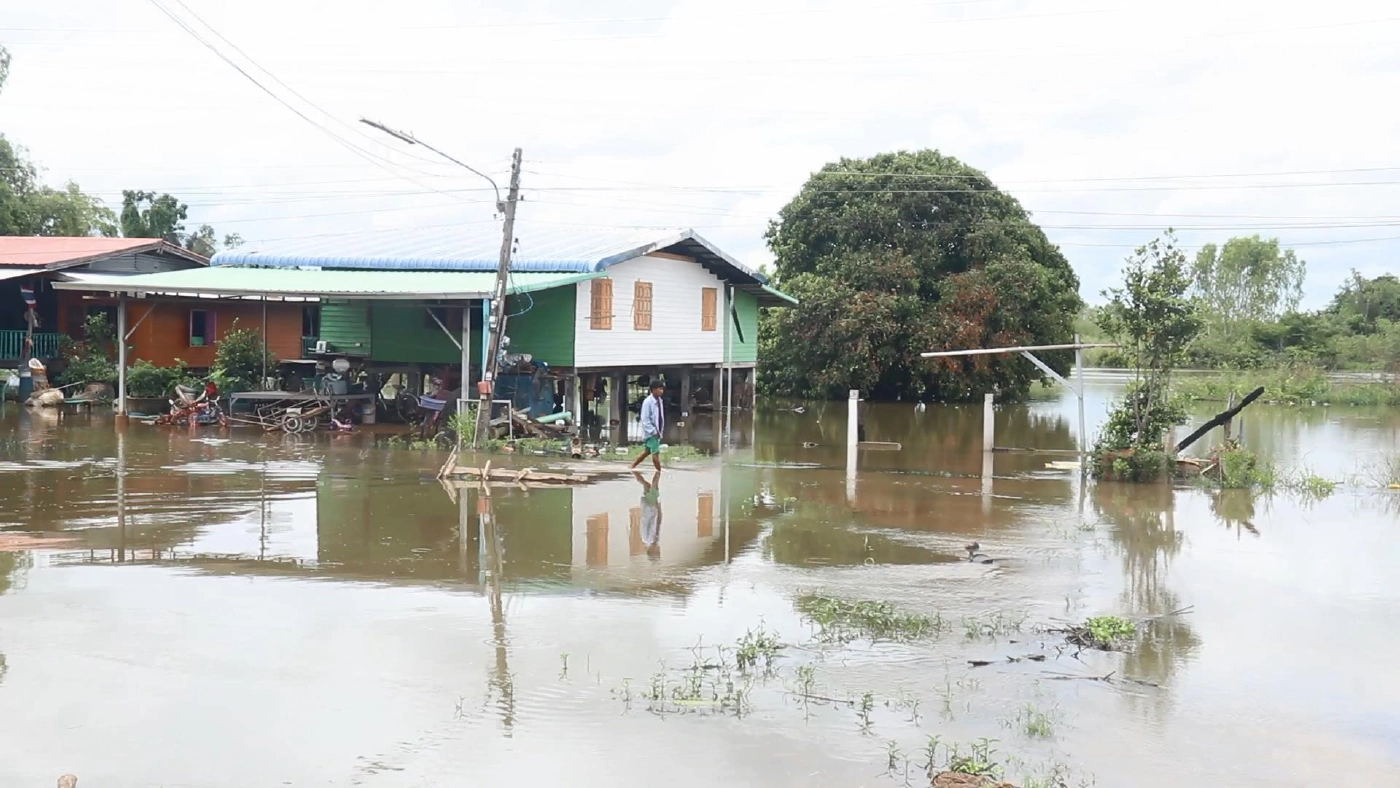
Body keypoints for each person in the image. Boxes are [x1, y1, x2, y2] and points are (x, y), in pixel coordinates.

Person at [630, 380, 665, 471]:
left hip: (657, 431)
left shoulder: (659, 400)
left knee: (647, 451)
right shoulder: (648, 402)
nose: (661, 391)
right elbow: (645, 419)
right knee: (655, 454)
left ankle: (632, 466)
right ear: (653, 390)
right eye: (659, 389)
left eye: (662, 389)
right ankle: (659, 471)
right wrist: (653, 431)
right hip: (652, 432)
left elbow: (660, 417)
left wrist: (660, 431)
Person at [634, 470, 662, 560]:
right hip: (648, 509)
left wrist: (657, 509)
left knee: (654, 487)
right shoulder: (649, 540)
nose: (659, 549)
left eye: (657, 552)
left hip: (651, 508)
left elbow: (654, 523)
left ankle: (658, 471)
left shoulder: (650, 539)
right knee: (647, 486)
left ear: (652, 551)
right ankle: (634, 472)